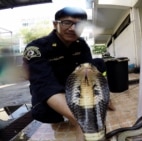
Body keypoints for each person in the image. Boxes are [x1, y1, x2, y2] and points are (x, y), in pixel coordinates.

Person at [22, 7, 114, 141]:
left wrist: (102, 97)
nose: (72, 28)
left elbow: (88, 75)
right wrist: (79, 120)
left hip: (77, 95)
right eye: (67, 23)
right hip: (50, 101)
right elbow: (45, 86)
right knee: (52, 125)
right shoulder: (36, 48)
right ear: (55, 24)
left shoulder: (81, 44)